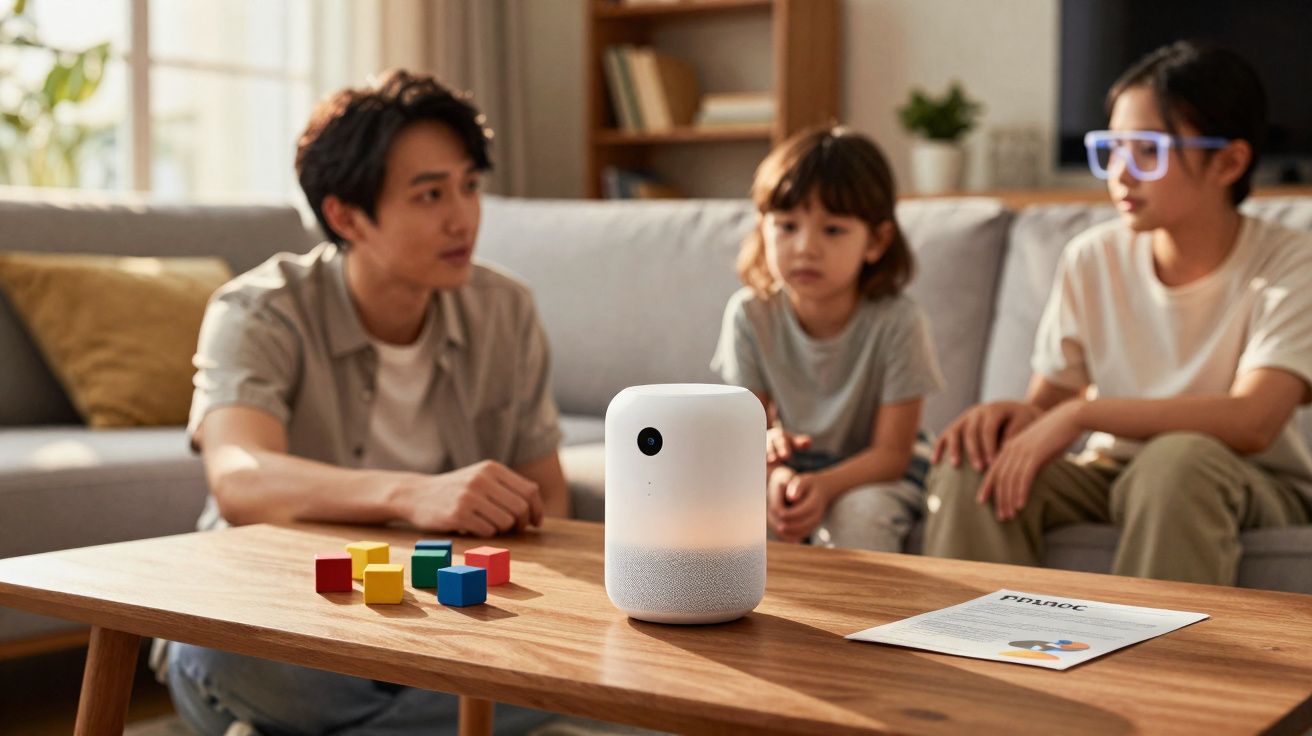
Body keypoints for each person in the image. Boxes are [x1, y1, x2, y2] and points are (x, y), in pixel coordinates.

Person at [166, 69, 568, 736]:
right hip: (293, 608)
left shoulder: (505, 308)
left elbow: (548, 498)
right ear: (345, 215)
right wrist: (412, 495)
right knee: (220, 655)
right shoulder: (258, 310)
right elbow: (238, 477)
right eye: (430, 194)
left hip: (446, 616)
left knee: (621, 665)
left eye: (469, 186)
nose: (461, 216)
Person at [923, 41, 1312, 585]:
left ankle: (1152, 670)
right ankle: (970, 661)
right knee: (972, 466)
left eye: (1147, 152)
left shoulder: (1290, 262)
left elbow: (1253, 421)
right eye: (1112, 148)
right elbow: (1048, 406)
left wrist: (1087, 414)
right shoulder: (1093, 256)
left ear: (1229, 161)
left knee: (1175, 463)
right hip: (1111, 472)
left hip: (1248, 479)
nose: (1120, 175)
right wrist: (1008, 418)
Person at [711, 126, 944, 552]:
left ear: (876, 241)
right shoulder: (749, 314)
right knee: (729, 508)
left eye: (832, 230)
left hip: (882, 472)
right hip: (799, 469)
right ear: (763, 229)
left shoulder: (899, 322)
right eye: (787, 226)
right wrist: (778, 475)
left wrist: (823, 485)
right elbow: (748, 434)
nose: (805, 248)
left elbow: (892, 453)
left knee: (856, 516)